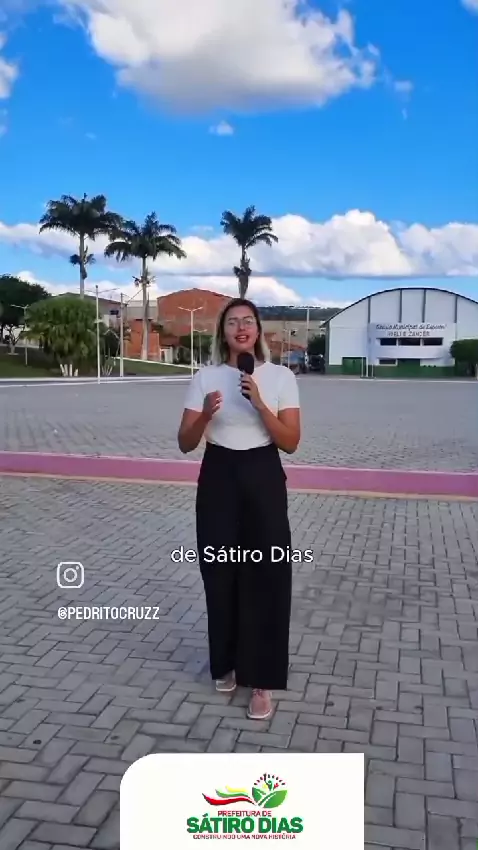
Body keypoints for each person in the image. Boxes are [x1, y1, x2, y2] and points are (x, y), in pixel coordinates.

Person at [177, 298, 301, 720]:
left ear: (258, 329)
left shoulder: (280, 377)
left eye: (248, 321)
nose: (241, 327)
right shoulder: (206, 377)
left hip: (263, 474)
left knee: (267, 573)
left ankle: (262, 679)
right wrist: (203, 415)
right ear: (223, 332)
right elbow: (185, 442)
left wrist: (261, 403)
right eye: (233, 322)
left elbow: (290, 442)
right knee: (219, 570)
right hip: (218, 476)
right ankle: (226, 662)